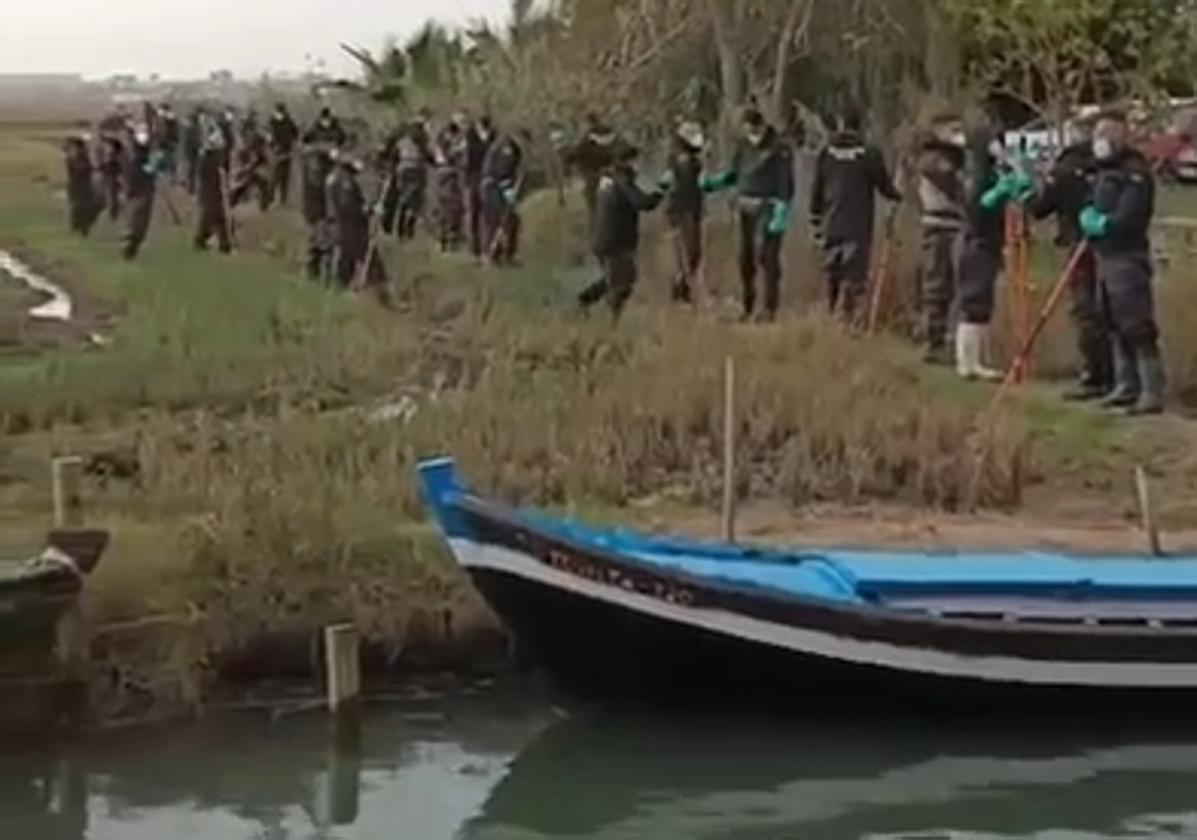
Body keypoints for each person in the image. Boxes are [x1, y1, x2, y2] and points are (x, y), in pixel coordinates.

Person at [1078, 109, 1164, 415]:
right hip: (1104, 255)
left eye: (1108, 133)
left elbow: (1131, 215)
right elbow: (1091, 201)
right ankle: (1125, 385)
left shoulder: (1135, 171)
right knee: (1112, 321)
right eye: (1098, 133)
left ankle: (1151, 390)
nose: (1101, 140)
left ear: (1122, 135)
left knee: (1136, 324)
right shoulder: (1100, 171)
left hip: (1127, 256)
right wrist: (1087, 215)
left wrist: (1107, 224)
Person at [1026, 116, 1111, 401]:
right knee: (1108, 308)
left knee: (1085, 310)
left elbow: (1039, 207)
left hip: (1078, 242)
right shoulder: (1107, 166)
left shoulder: (1065, 168)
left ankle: (1093, 376)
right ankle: (1115, 375)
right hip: (1110, 244)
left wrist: (1028, 192)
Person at [702, 107, 795, 322]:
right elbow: (735, 173)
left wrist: (782, 210)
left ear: (761, 126)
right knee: (745, 258)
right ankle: (747, 305)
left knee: (767, 257)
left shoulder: (779, 148)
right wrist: (714, 183)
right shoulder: (743, 145)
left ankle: (769, 308)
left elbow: (786, 182)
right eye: (746, 130)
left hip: (768, 206)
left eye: (753, 129)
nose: (751, 134)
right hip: (744, 206)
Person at [809, 109, 901, 322]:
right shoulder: (869, 153)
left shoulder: (826, 153)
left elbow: (816, 188)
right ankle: (848, 317)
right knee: (853, 273)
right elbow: (884, 187)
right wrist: (898, 196)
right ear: (860, 127)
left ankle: (830, 310)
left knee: (833, 269)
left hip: (831, 220)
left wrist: (815, 217)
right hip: (857, 224)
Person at [955, 122, 1031, 380]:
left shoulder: (991, 171)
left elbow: (1021, 187)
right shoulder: (976, 173)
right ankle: (968, 363)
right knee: (974, 300)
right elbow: (975, 209)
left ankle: (975, 360)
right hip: (976, 242)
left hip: (988, 242)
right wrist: (996, 194)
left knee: (981, 301)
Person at [576, 144, 664, 321]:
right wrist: (659, 195)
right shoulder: (622, 179)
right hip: (616, 240)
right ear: (626, 161)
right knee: (623, 283)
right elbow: (639, 202)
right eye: (635, 160)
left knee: (614, 279)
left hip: (603, 238)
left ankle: (586, 302)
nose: (638, 164)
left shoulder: (606, 178)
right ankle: (610, 317)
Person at [915, 112, 968, 363]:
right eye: (952, 129)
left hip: (958, 225)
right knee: (937, 284)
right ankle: (933, 341)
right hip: (938, 225)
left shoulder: (958, 158)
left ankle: (952, 340)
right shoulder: (933, 160)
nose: (959, 134)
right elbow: (955, 185)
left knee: (959, 284)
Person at [662, 120, 706, 304]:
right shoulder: (682, 158)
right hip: (683, 208)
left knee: (689, 251)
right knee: (690, 251)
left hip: (686, 207)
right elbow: (686, 183)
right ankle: (681, 287)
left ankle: (681, 287)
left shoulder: (685, 156)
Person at [564, 114, 627, 234]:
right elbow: (627, 149)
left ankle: (594, 227)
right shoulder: (612, 135)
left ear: (588, 124)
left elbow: (575, 153)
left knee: (591, 200)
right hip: (610, 172)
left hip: (593, 175)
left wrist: (567, 162)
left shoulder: (587, 140)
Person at [325, 151, 372, 289]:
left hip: (335, 221)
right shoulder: (345, 181)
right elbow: (348, 204)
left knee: (340, 254)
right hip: (345, 223)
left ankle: (336, 284)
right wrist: (366, 210)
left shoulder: (332, 177)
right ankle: (338, 285)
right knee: (344, 256)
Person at [121, 123, 166, 260]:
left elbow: (153, 166)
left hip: (141, 187)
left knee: (140, 217)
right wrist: (156, 161)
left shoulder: (143, 150)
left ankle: (132, 241)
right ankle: (131, 243)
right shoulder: (135, 152)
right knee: (138, 217)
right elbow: (147, 167)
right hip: (139, 187)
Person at [481, 128, 524, 265]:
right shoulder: (506, 149)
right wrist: (508, 191)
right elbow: (502, 172)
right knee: (498, 220)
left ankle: (507, 253)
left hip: (502, 187)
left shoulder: (515, 150)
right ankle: (492, 253)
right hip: (494, 187)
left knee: (511, 220)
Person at [193, 127, 233, 253]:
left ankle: (221, 244)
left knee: (214, 217)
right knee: (213, 216)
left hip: (214, 190)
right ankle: (220, 244)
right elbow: (206, 175)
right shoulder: (207, 157)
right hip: (209, 190)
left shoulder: (212, 156)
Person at [300, 141, 336, 280]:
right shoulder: (314, 171)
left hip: (319, 210)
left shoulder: (317, 169)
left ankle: (316, 272)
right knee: (321, 242)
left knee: (320, 241)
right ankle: (316, 273)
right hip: (317, 210)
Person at [463, 114, 495, 257]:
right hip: (474, 178)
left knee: (488, 214)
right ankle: (475, 247)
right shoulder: (471, 139)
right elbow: (469, 159)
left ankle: (488, 246)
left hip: (488, 178)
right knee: (474, 214)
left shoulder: (493, 139)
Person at [434, 121, 468, 251]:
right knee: (449, 206)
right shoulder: (443, 143)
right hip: (447, 175)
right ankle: (446, 238)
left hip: (448, 175)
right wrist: (458, 150)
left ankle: (449, 237)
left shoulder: (442, 142)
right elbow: (447, 158)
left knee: (451, 207)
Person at [63, 134, 101, 237]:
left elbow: (86, 168)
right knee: (79, 206)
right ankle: (79, 225)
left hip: (81, 186)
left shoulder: (80, 157)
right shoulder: (74, 158)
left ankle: (81, 225)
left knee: (82, 206)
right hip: (79, 186)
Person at [229, 122, 271, 211]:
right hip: (246, 170)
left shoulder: (257, 143)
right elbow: (240, 159)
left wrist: (258, 165)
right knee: (241, 186)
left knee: (263, 184)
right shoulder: (242, 148)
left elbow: (262, 159)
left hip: (254, 169)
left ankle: (264, 205)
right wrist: (244, 168)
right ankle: (231, 203)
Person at [267, 103, 299, 205]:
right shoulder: (271, 122)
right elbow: (268, 136)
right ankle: (270, 196)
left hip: (287, 151)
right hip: (275, 152)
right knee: (274, 176)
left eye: (281, 112)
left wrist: (293, 144)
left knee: (285, 176)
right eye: (278, 112)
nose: (279, 114)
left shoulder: (289, 122)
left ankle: (283, 198)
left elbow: (295, 133)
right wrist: (272, 144)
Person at [98, 130, 125, 221]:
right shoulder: (114, 148)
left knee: (112, 194)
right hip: (111, 174)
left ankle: (113, 212)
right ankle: (113, 211)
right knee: (111, 194)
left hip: (112, 175)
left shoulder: (114, 152)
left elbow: (114, 163)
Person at [181, 107, 203, 194]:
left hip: (191, 153)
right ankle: (190, 187)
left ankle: (190, 187)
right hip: (193, 152)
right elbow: (194, 142)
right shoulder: (195, 129)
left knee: (191, 171)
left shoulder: (191, 129)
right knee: (191, 171)